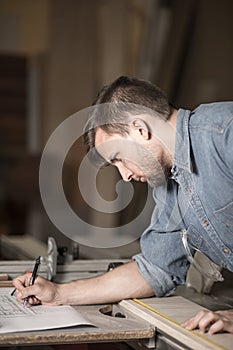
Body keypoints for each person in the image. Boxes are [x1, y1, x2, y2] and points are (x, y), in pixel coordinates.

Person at [13, 76, 233, 334]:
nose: (125, 176)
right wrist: (59, 293)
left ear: (140, 128)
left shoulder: (224, 133)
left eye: (119, 158)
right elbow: (154, 269)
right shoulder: (169, 187)